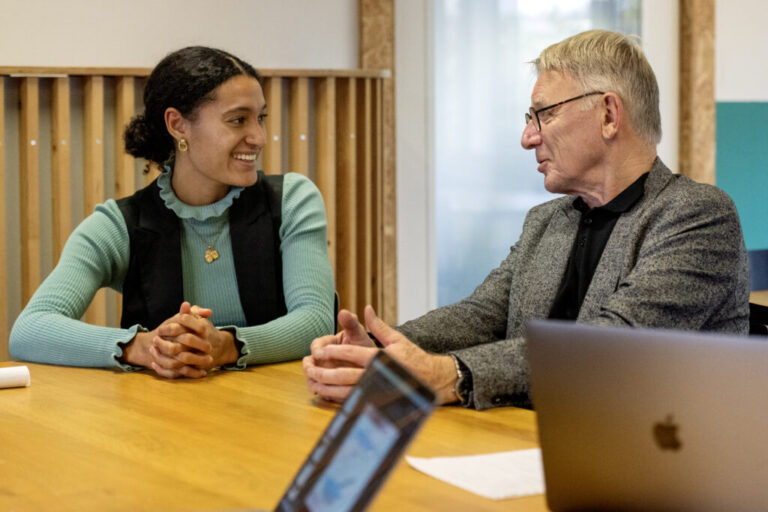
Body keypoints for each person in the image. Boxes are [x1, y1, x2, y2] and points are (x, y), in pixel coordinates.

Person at [303, 30, 750, 410]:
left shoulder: (697, 215)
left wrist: (449, 374)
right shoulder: (548, 220)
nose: (527, 137)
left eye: (544, 113)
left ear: (609, 115)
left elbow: (616, 345)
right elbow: (482, 316)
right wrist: (381, 348)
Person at [10, 46, 335, 378]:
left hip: (278, 415)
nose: (259, 137)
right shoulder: (119, 225)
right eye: (238, 120)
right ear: (178, 125)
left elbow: (316, 320)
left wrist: (226, 345)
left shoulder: (292, 200)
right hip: (161, 421)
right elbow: (30, 329)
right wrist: (142, 347)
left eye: (260, 117)